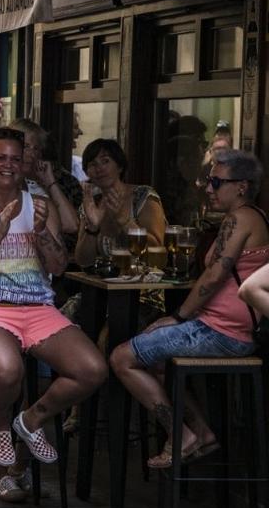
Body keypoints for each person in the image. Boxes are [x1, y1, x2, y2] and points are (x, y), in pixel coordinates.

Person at [0, 127, 107, 492]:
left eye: (16, 159)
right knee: (6, 370)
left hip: (37, 307)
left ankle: (31, 420)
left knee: (92, 369)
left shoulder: (39, 204)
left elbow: (58, 266)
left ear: (26, 163)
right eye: (0, 158)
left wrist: (42, 234)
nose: (8, 165)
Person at [112, 149, 269, 468]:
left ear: (241, 186)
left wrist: (178, 316)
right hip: (222, 326)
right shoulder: (249, 217)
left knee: (123, 358)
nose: (208, 188)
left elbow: (215, 275)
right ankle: (200, 432)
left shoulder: (242, 217)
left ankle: (181, 435)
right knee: (155, 361)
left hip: (223, 331)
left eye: (215, 181)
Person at [74, 138, 166, 269]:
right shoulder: (91, 204)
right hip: (104, 285)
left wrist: (124, 221)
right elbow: (83, 260)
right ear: (86, 172)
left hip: (143, 286)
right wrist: (92, 229)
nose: (99, 169)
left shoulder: (143, 196)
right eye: (92, 164)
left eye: (105, 161)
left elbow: (156, 251)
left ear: (120, 166)